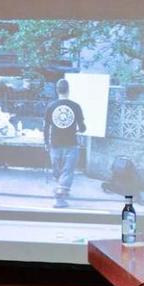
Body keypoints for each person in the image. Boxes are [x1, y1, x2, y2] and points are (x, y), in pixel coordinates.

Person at [43, 79, 86, 208]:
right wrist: (79, 128)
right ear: (68, 90)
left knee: (58, 171)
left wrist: (46, 142)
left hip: (55, 144)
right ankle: (60, 197)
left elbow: (46, 127)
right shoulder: (76, 106)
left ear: (57, 90)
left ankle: (61, 189)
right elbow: (83, 127)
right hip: (71, 144)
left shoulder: (51, 106)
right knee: (67, 171)